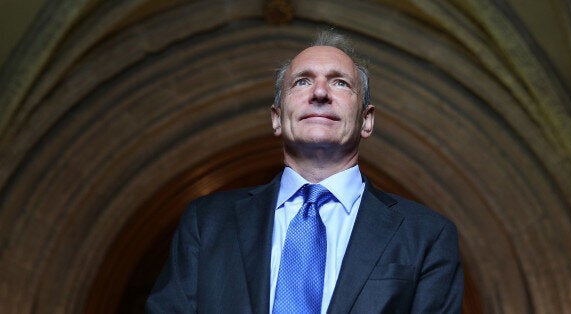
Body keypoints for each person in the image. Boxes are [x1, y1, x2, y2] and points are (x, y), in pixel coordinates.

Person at [146, 30, 463, 313]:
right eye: (302, 81)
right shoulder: (208, 222)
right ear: (276, 118)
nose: (320, 93)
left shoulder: (427, 235)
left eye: (340, 82)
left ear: (367, 120)